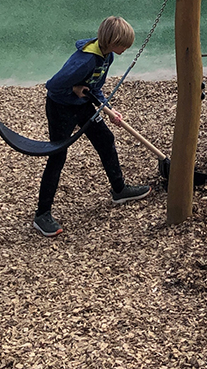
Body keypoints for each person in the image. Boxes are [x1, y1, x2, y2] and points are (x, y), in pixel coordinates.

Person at [34, 16, 151, 237]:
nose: (126, 48)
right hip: (61, 107)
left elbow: (95, 87)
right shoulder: (85, 60)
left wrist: (109, 107)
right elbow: (53, 85)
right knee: (58, 155)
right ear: (113, 40)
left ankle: (119, 190)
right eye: (123, 44)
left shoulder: (107, 56)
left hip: (84, 104)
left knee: (105, 139)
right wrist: (74, 91)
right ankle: (42, 215)